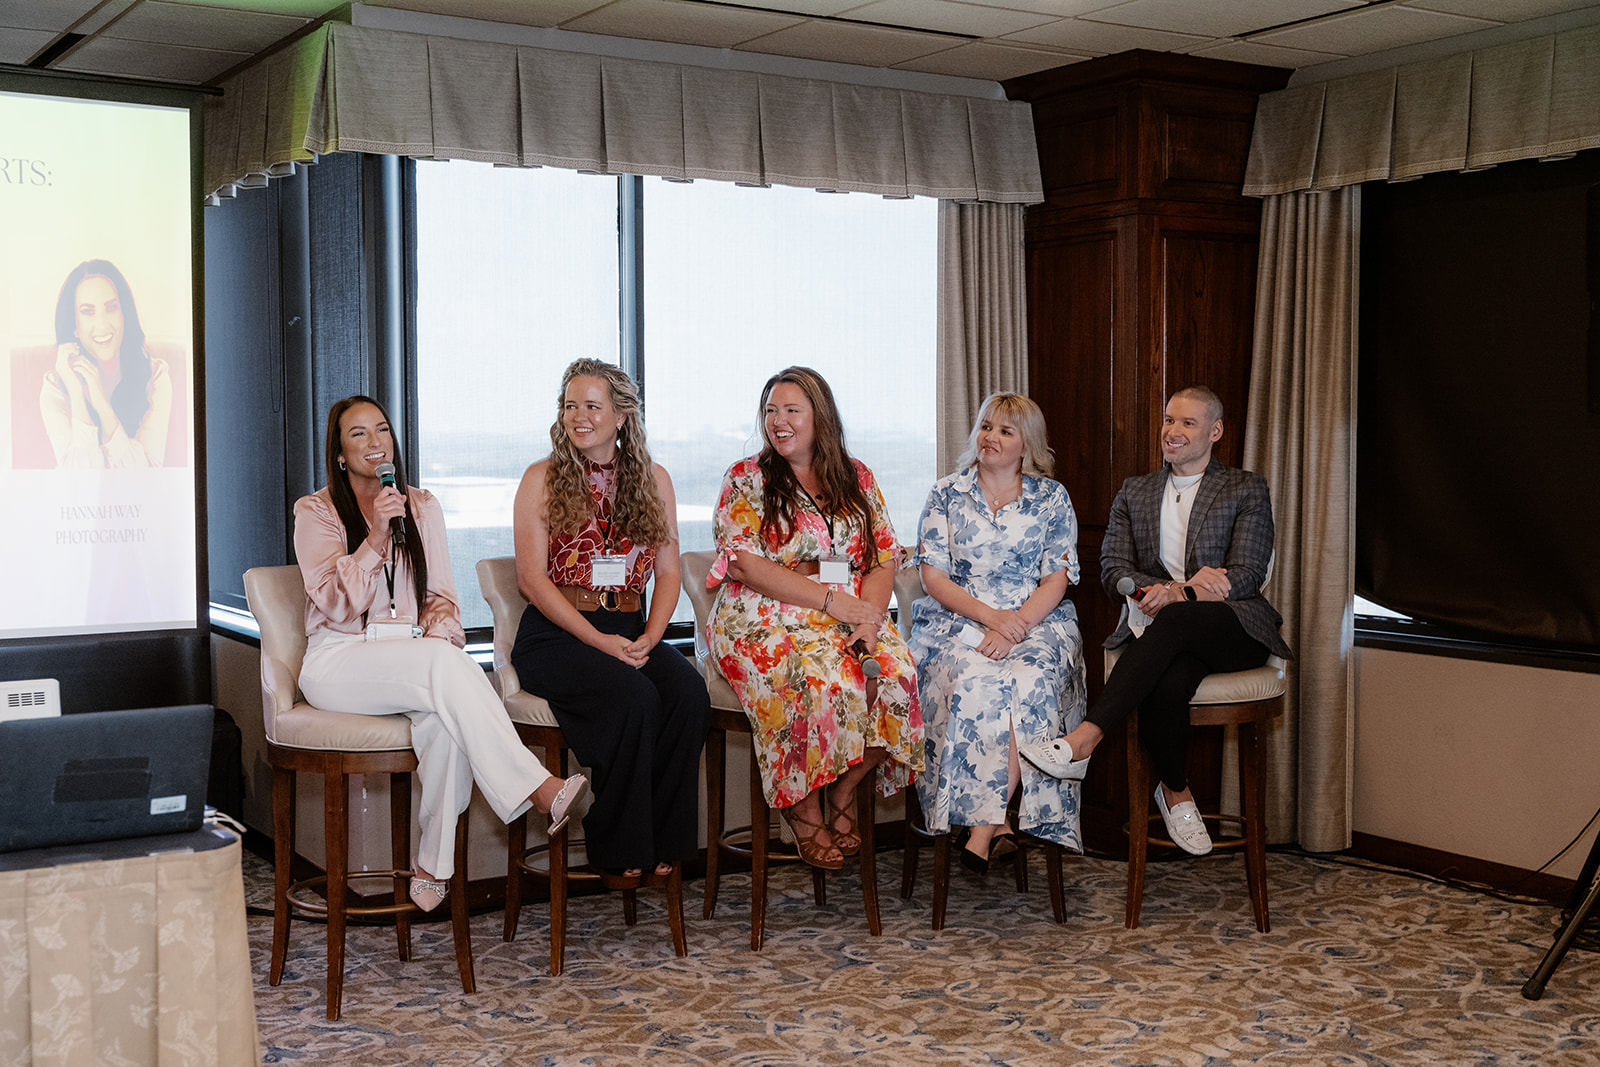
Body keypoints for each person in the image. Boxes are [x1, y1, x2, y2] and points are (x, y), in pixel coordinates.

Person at [295, 395, 586, 912]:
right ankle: (537, 787)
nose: (374, 442)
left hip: (411, 658)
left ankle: (431, 865)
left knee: (446, 715)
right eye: (358, 434)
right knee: (443, 669)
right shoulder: (315, 512)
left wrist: (437, 631)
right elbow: (335, 605)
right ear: (340, 453)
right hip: (337, 658)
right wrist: (376, 537)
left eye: (381, 430)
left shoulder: (422, 506)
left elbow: (443, 601)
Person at [1020, 386, 1292, 855]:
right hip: (1161, 634)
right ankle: (1176, 791)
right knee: (1167, 683)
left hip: (1235, 629)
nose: (1173, 431)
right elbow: (1112, 569)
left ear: (1215, 430)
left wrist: (1179, 593)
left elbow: (1245, 575)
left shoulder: (1246, 488)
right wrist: (1162, 591)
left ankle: (1086, 737)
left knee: (1180, 619)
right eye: (1169, 420)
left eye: (1187, 422)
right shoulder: (1136, 491)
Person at [707, 366, 922, 870]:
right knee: (815, 682)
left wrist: (868, 622)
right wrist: (830, 602)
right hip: (760, 614)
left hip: (849, 613)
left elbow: (883, 557)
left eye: (791, 410)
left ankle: (843, 792)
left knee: (899, 679)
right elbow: (743, 562)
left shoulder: (858, 476)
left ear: (819, 417)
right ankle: (803, 813)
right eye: (770, 411)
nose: (778, 421)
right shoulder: (746, 479)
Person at [509, 359, 709, 886]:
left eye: (592, 406)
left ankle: (665, 839)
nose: (578, 416)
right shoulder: (541, 478)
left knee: (688, 692)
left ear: (621, 415)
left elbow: (667, 573)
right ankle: (617, 843)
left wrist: (650, 637)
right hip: (556, 635)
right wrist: (600, 640)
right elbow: (532, 580)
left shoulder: (654, 479)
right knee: (634, 697)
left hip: (629, 629)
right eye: (570, 405)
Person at [907, 394, 1087, 873]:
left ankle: (981, 830)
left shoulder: (1052, 498)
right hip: (957, 618)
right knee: (973, 676)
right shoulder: (945, 493)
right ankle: (998, 824)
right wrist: (992, 618)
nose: (991, 437)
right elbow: (933, 578)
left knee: (1029, 681)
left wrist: (1018, 625)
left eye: (1005, 431)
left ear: (1028, 444)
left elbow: (1057, 578)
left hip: (1036, 620)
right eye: (986, 427)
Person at [40, 259, 174, 468]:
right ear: (74, 325)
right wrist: (76, 393)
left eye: (111, 307)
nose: (102, 325)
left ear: (124, 315)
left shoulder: (156, 377)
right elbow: (80, 486)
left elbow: (148, 481)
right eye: (87, 311)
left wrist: (103, 407)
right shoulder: (54, 390)